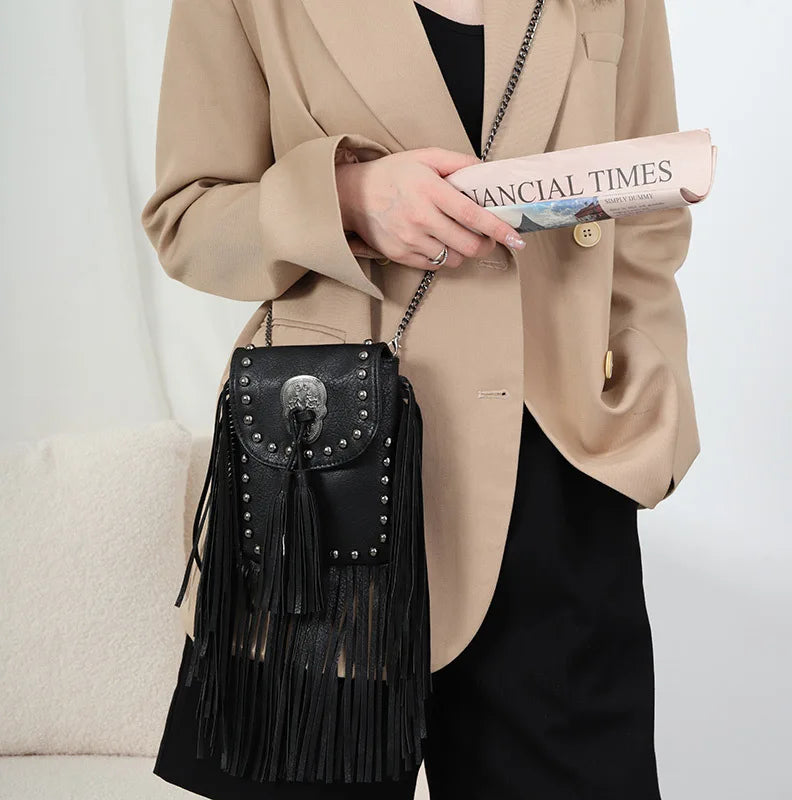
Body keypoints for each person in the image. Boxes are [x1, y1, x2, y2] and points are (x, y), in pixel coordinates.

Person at [142, 1, 699, 798]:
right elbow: (187, 219)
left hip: (560, 477)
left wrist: (649, 412)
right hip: (325, 480)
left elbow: (649, 213)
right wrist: (348, 198)